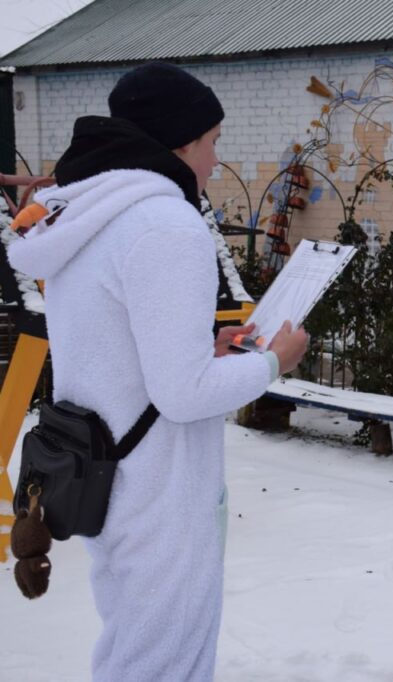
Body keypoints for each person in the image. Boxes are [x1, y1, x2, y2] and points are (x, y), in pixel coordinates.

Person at [8, 62, 308, 681]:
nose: (216, 161)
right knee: (164, 663)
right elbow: (184, 394)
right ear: (181, 141)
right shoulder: (167, 225)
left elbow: (113, 344)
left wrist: (204, 344)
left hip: (106, 479)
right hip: (161, 492)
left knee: (132, 652)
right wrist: (272, 362)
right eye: (213, 142)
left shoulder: (87, 216)